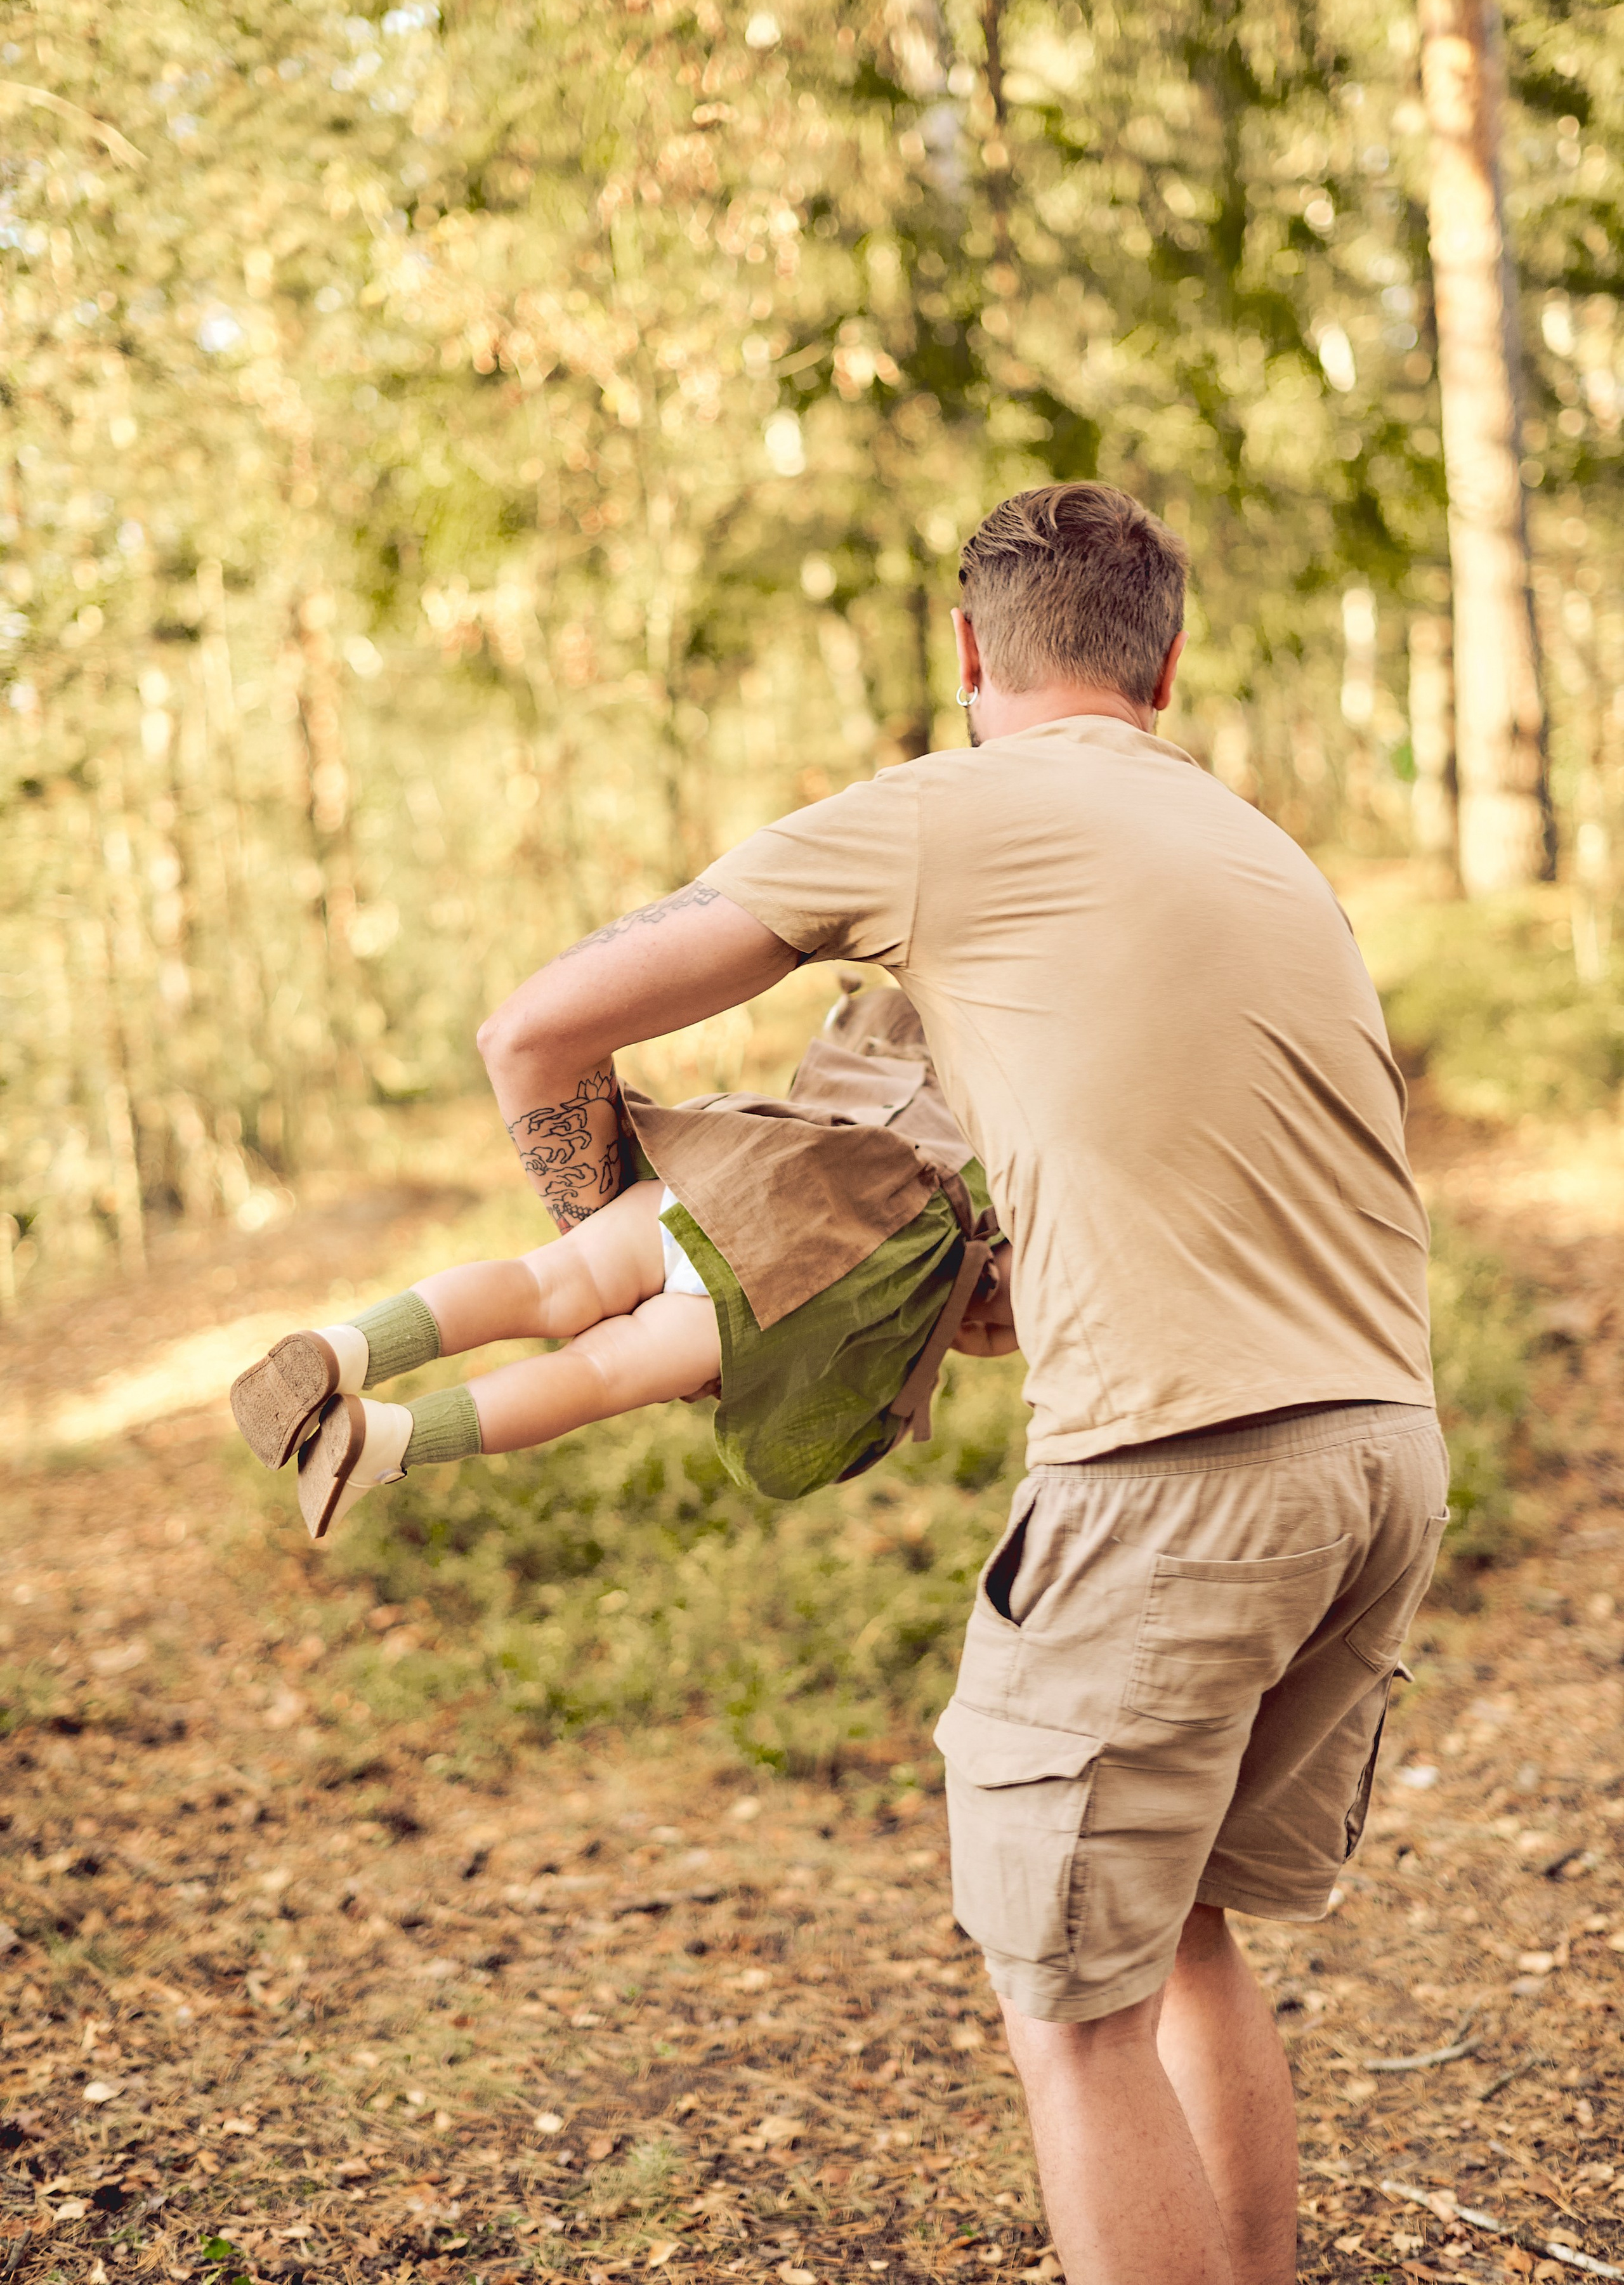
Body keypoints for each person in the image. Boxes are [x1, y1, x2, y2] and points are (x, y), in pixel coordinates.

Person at [469, 481, 1444, 2285]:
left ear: (973, 652)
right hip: (1381, 1454)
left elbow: (538, 1027)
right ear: (1168, 664)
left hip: (1176, 1475)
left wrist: (685, 1268)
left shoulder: (948, 809)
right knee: (1183, 1936)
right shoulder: (1259, 847)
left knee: (1069, 2013)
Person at [230, 986, 1012, 1539]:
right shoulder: (1025, 1118)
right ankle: (389, 1437)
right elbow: (1007, 1302)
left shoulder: (886, 1021)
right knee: (594, 1378)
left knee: (541, 1282)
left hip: (744, 1173)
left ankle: (341, 1347)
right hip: (823, 1263)